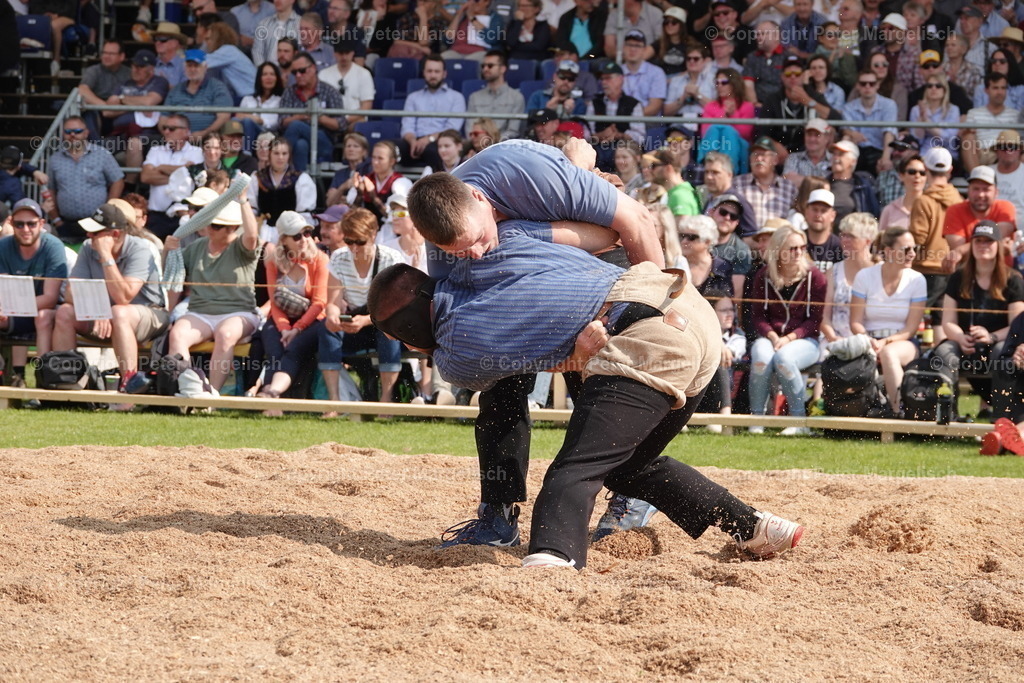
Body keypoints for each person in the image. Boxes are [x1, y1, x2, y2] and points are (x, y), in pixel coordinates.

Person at [367, 247, 804, 570]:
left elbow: (505, 388)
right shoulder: (512, 243)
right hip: (682, 303)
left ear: (410, 333)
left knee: (575, 469)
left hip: (642, 331)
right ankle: (755, 527)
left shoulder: (458, 341)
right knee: (624, 461)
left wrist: (580, 354)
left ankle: (552, 560)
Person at [404, 139, 665, 547]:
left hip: (600, 265)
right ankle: (497, 511)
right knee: (498, 381)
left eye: (476, 239)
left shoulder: (529, 175)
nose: (473, 254)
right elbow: (463, 321)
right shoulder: (448, 240)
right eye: (457, 250)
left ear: (479, 197)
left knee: (598, 381)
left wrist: (656, 301)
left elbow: (632, 224)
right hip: (536, 257)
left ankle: (629, 492)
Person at [51, 204, 168, 396]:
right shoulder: (89, 248)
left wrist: (106, 256)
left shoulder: (141, 249)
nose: (89, 236)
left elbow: (124, 297)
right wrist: (98, 309)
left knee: (119, 312)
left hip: (149, 314)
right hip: (106, 315)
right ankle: (66, 381)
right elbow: (71, 294)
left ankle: (130, 385)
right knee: (64, 312)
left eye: (95, 233)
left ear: (114, 234)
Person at [165, 197, 261, 393]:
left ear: (232, 228)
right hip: (200, 312)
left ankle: (212, 395)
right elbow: (170, 273)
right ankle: (186, 388)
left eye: (216, 226)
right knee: (177, 334)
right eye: (210, 223)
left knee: (225, 334)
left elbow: (251, 235)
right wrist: (167, 249)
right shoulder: (196, 247)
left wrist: (243, 201)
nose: (210, 228)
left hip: (239, 312)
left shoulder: (242, 248)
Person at [933, 220, 1024, 414]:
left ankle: (1003, 418)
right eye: (978, 241)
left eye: (988, 241)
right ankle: (948, 418)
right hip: (966, 342)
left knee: (1003, 353)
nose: (983, 245)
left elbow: (1017, 326)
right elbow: (948, 321)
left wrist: (991, 337)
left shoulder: (1013, 279)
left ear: (998, 246)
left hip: (999, 342)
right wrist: (959, 337)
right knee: (945, 352)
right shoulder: (958, 277)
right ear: (971, 245)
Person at [746, 224, 826, 435]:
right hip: (771, 336)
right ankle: (757, 419)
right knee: (761, 356)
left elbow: (815, 322)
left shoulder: (815, 277)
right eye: (792, 248)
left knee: (784, 358)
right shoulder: (764, 276)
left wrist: (789, 337)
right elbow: (758, 317)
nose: (799, 252)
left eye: (802, 247)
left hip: (806, 339)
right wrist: (773, 336)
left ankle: (799, 421)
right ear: (779, 250)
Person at [321, 208, 405, 403]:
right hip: (354, 323)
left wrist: (366, 321)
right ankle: (334, 401)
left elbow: (394, 308)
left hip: (381, 322)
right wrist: (333, 316)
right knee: (326, 330)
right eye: (349, 241)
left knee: (388, 331)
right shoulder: (338, 257)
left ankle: (386, 400)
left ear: (373, 235)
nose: (354, 247)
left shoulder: (391, 259)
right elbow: (333, 300)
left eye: (360, 241)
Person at [849, 226, 927, 415]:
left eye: (914, 249)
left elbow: (910, 329)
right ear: (889, 251)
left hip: (903, 342)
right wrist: (870, 341)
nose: (912, 254)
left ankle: (900, 412)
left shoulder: (917, 280)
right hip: (868, 340)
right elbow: (855, 322)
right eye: (906, 249)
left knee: (889, 354)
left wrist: (884, 343)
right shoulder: (864, 276)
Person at [255, 211, 330, 401]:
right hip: (283, 319)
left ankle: (272, 394)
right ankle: (271, 401)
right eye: (297, 236)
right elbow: (274, 301)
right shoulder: (272, 261)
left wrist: (296, 329)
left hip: (313, 320)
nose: (304, 239)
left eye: (306, 233)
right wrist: (285, 329)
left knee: (293, 347)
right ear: (283, 240)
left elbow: (320, 302)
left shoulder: (321, 259)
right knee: (274, 348)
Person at [0, 199, 65, 371]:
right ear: (11, 223)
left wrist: (8, 307)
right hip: (11, 313)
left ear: (42, 223)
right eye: (19, 224)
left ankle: (42, 378)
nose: (26, 229)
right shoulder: (3, 246)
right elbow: (3, 290)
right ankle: (13, 375)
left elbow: (50, 299)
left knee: (43, 316)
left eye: (31, 224)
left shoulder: (53, 246)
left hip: (46, 312)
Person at [45, 116, 125, 242]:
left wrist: (108, 209)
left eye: (77, 131)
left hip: (97, 222)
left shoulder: (102, 155)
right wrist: (57, 220)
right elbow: (51, 190)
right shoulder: (55, 159)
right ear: (63, 134)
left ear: (86, 133)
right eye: (68, 131)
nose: (73, 135)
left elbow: (118, 181)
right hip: (66, 224)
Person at [907, 147, 961, 309]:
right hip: (951, 269)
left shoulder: (922, 200)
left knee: (915, 316)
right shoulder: (959, 199)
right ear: (950, 170)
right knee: (939, 320)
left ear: (926, 168)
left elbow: (918, 238)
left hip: (925, 269)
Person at [820, 212, 880, 349]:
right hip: (836, 340)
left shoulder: (881, 270)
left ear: (868, 240)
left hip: (872, 342)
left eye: (851, 236)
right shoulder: (833, 271)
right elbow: (824, 315)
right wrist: (833, 338)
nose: (844, 240)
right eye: (843, 235)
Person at [279, 51, 346, 171]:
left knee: (296, 126)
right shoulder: (289, 92)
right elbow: (282, 121)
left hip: (324, 142)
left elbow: (340, 124)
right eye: (294, 73)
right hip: (297, 141)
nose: (298, 75)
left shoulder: (330, 92)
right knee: (301, 145)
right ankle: (300, 184)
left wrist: (317, 117)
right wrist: (302, 116)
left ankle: (280, 166)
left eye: (302, 71)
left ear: (313, 68)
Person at [943, 164, 1016, 273]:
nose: (981, 194)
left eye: (986, 189)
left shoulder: (1006, 208)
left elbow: (960, 252)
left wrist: (961, 250)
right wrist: (998, 246)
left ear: (996, 192)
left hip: (1003, 274)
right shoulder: (954, 211)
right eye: (976, 189)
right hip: (968, 275)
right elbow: (958, 254)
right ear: (968, 190)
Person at [141, 115, 205, 239]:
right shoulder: (155, 150)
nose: (166, 132)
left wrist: (161, 167)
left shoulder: (197, 152)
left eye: (172, 128)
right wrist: (182, 172)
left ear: (186, 131)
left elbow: (194, 179)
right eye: (165, 128)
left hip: (182, 215)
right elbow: (145, 177)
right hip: (156, 216)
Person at [400, 54, 467, 170]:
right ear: (424, 73)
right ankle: (387, 186)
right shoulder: (413, 97)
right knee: (389, 148)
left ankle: (439, 186)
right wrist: (412, 142)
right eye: (429, 71)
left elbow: (452, 129)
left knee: (437, 150)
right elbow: (407, 125)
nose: (433, 75)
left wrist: (428, 139)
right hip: (414, 141)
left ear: (444, 74)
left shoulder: (456, 97)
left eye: (437, 71)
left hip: (438, 141)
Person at [249, 136, 317, 240]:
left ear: (289, 156)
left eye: (284, 154)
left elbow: (304, 215)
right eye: (276, 153)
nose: (280, 157)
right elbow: (251, 209)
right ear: (269, 154)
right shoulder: (257, 178)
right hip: (263, 232)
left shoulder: (300, 179)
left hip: (291, 233)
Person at [165, 50, 234, 143]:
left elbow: (224, 117)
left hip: (208, 139)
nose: (192, 69)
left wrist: (204, 133)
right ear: (184, 68)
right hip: (177, 140)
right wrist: (171, 136)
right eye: (189, 66)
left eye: (196, 66)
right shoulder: (176, 90)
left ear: (205, 67)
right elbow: (163, 119)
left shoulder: (217, 87)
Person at [733, 136, 799, 229]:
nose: (759, 158)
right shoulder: (737, 183)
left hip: (778, 241)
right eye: (755, 154)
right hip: (745, 240)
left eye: (764, 155)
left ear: (775, 160)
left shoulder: (789, 188)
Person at [842, 68, 898, 173]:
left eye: (872, 84)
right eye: (863, 84)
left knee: (884, 164)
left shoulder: (889, 104)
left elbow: (889, 133)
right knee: (847, 139)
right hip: (856, 150)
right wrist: (851, 133)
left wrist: (885, 158)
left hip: (879, 150)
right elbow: (848, 132)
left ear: (878, 85)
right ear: (857, 86)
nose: (867, 87)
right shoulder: (848, 107)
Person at [962, 72, 1020, 171]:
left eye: (1003, 88)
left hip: (1006, 151)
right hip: (982, 154)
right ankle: (977, 177)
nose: (1000, 92)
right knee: (968, 137)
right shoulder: (974, 113)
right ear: (986, 90)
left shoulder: (1015, 115)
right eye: (995, 88)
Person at [77, 40, 131, 137]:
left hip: (120, 110)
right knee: (89, 114)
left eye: (111, 54)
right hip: (98, 110)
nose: (106, 56)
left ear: (122, 56)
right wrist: (105, 107)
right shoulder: (94, 71)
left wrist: (115, 108)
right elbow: (82, 90)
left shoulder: (129, 73)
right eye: (104, 53)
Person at [350, 140, 413, 224]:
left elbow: (402, 215)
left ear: (392, 161)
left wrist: (373, 196)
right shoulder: (365, 180)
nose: (375, 162)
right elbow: (350, 214)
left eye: (380, 158)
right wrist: (359, 194)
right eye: (373, 157)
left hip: (392, 232)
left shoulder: (400, 182)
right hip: (366, 230)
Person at [467, 51, 526, 140]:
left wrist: (493, 143)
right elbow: (470, 128)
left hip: (503, 147)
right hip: (478, 146)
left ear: (502, 69)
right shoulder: (474, 97)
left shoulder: (516, 97)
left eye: (490, 66)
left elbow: (513, 131)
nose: (485, 69)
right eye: (483, 66)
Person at [585, 61, 645, 146]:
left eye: (608, 78)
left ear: (621, 79)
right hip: (598, 149)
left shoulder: (633, 104)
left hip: (624, 149)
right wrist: (601, 135)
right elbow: (586, 135)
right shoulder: (594, 103)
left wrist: (619, 135)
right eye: (602, 79)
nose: (603, 82)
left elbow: (640, 138)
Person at [317, 39, 375, 126]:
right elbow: (319, 102)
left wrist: (345, 120)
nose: (344, 57)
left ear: (352, 53)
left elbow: (366, 106)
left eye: (347, 53)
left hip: (355, 120)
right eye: (341, 53)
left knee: (359, 124)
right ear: (335, 53)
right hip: (329, 121)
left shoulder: (364, 74)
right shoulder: (324, 74)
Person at [707, 193, 752, 295]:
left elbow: (736, 295)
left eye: (733, 216)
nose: (727, 218)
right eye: (723, 212)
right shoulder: (695, 236)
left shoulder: (742, 250)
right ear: (711, 212)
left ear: (737, 222)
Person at [678, 214, 734, 295]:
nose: (684, 241)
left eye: (691, 237)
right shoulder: (674, 264)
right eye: (682, 236)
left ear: (707, 242)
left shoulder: (722, 267)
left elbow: (727, 300)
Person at [828, 140, 880, 224]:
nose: (835, 158)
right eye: (834, 154)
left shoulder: (863, 187)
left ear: (853, 161)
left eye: (840, 154)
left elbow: (873, 215)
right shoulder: (823, 183)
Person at [663, 40, 717, 119]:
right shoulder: (676, 81)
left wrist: (698, 95)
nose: (691, 61)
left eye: (696, 59)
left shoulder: (714, 79)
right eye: (688, 58)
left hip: (705, 121)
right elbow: (666, 112)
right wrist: (683, 98)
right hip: (680, 121)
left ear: (704, 61)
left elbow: (718, 110)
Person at [620, 29, 668, 117]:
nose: (633, 49)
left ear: (644, 49)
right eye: (629, 45)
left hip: (647, 121)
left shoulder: (656, 72)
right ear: (623, 48)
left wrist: (630, 117)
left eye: (638, 46)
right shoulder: (617, 71)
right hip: (621, 122)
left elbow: (655, 107)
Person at [701, 68, 756, 142]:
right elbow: (705, 133)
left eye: (724, 82)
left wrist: (733, 115)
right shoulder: (710, 106)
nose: (719, 86)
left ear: (734, 84)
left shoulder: (747, 106)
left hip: (737, 144)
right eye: (717, 82)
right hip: (714, 144)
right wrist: (724, 114)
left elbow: (744, 135)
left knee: (728, 133)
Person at [644, 149, 700, 217]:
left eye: (653, 166)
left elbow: (681, 227)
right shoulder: (677, 192)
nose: (649, 170)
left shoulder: (679, 195)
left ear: (668, 168)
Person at [880, 153, 927, 231]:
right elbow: (880, 241)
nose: (917, 176)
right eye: (912, 172)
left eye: (922, 173)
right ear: (901, 176)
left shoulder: (933, 208)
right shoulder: (889, 210)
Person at [782, 118, 834, 186]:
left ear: (826, 138)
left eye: (817, 135)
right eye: (809, 134)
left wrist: (801, 180)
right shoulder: (793, 157)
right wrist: (822, 183)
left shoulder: (833, 159)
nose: (812, 139)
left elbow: (836, 184)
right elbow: (787, 180)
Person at [803, 188, 844, 273]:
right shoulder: (796, 243)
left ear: (833, 215)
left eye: (823, 211)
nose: (818, 215)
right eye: (815, 209)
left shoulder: (839, 246)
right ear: (806, 212)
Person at [325, 132, 371, 206]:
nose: (351, 149)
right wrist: (343, 187)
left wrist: (343, 198)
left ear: (364, 152)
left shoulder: (370, 171)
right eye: (348, 146)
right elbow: (329, 203)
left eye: (356, 146)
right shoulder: (340, 174)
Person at [252, 0, 301, 66]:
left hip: (293, 73)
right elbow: (257, 52)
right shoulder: (263, 24)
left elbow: (302, 51)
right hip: (267, 74)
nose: (277, 1)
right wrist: (264, 71)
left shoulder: (301, 24)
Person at [990, 130, 1024, 219]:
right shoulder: (987, 172)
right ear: (997, 151)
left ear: (1020, 150)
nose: (1008, 151)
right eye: (1003, 147)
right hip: (991, 226)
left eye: (1013, 147)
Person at [655, 6, 690, 75]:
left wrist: (676, 79)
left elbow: (703, 61)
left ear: (681, 25)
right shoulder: (659, 42)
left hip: (682, 81)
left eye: (674, 22)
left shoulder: (690, 43)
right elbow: (643, 55)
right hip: (662, 81)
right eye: (666, 22)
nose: (669, 25)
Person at [151, 22, 187, 88]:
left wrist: (164, 85)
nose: (158, 42)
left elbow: (187, 93)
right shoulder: (151, 63)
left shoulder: (186, 64)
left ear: (175, 43)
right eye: (155, 39)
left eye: (162, 39)